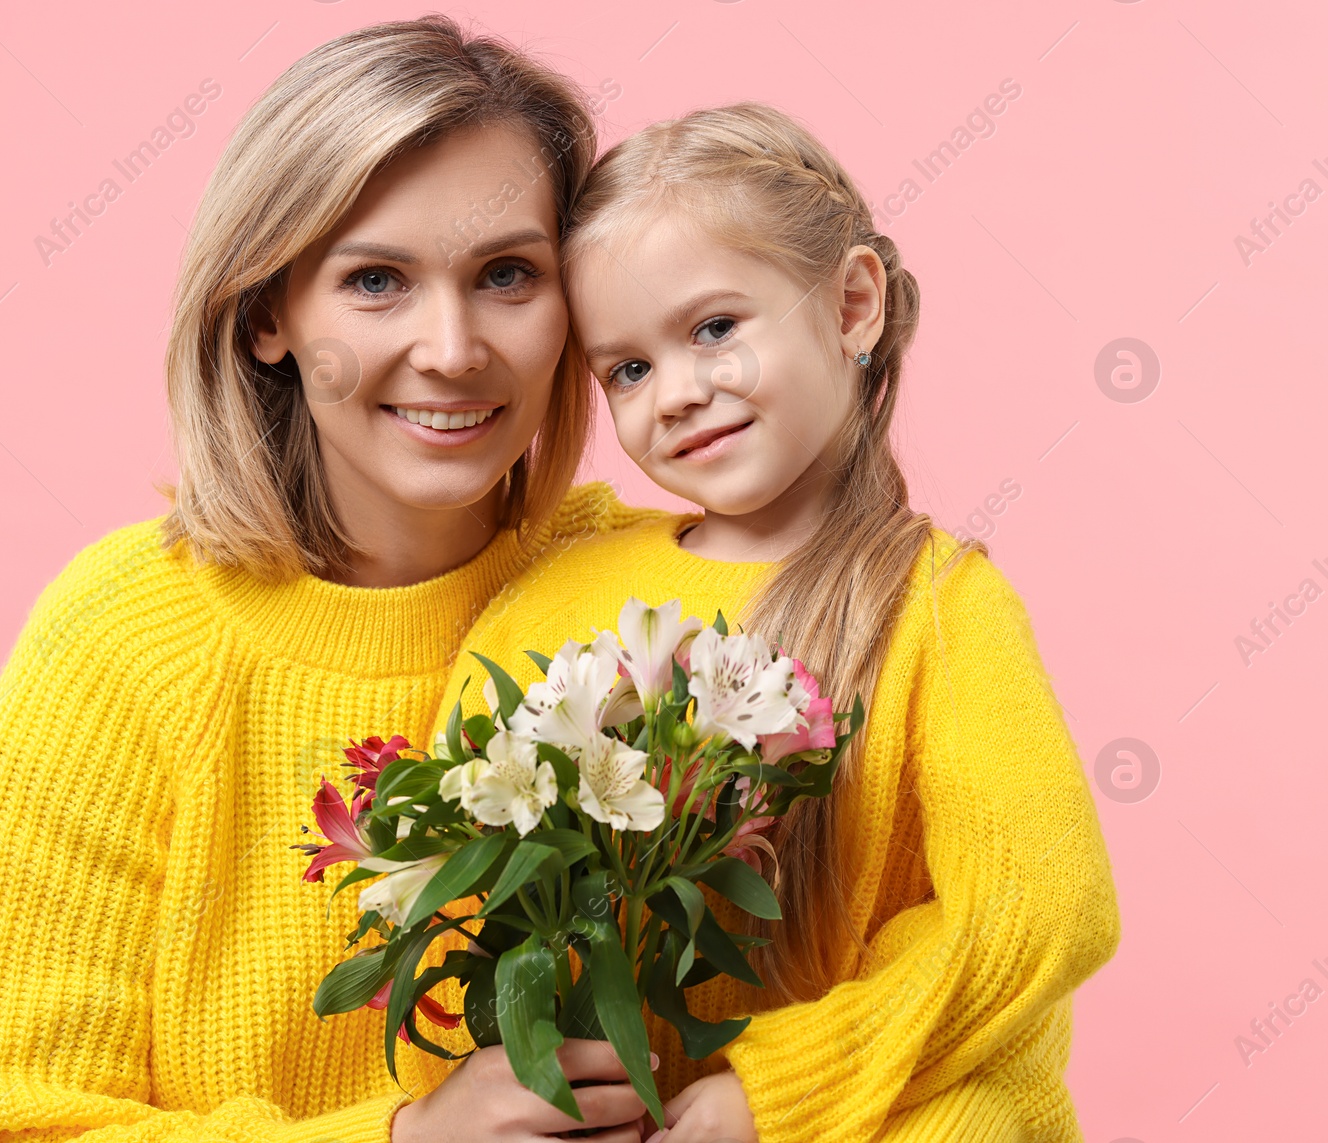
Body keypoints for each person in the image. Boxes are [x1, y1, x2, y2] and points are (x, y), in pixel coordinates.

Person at [0, 17, 663, 1143]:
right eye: (375, 281)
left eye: (507, 274)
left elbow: (972, 1026)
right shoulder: (125, 640)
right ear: (268, 314)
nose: (452, 348)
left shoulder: (670, 601)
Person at [423, 102, 1122, 1142]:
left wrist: (774, 1092)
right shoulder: (559, 583)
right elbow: (459, 855)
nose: (678, 393)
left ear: (849, 305)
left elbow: (1040, 913)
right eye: (627, 369)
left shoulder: (937, 606)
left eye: (714, 329)